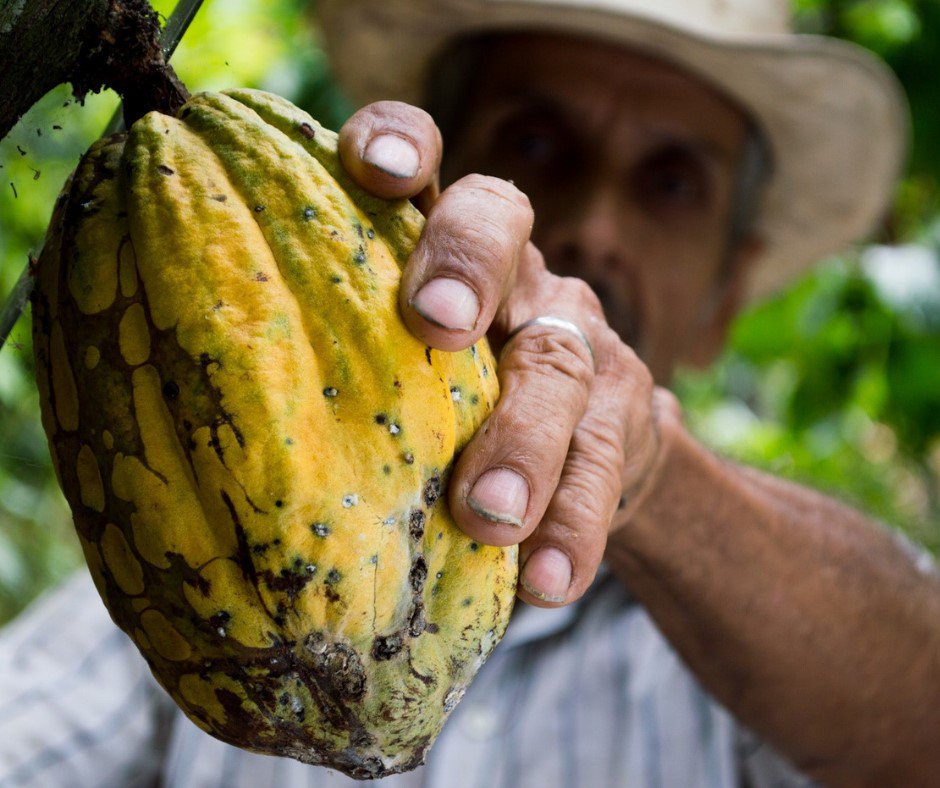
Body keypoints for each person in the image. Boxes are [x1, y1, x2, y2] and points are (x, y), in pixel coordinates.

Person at [1, 0, 937, 785]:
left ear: (727, 298)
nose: (595, 224)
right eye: (535, 138)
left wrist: (645, 470)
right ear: (413, 189)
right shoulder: (195, 560)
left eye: (671, 182)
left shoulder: (770, 664)